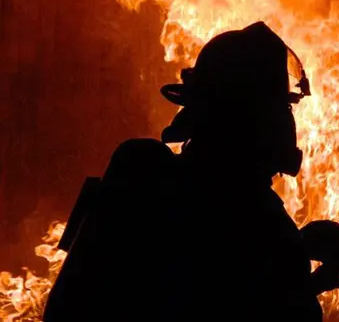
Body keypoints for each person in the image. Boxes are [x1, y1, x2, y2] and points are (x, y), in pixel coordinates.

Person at [44, 22, 323, 321]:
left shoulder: (140, 172)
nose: (287, 120)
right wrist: (291, 264)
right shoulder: (267, 229)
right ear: (260, 118)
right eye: (285, 107)